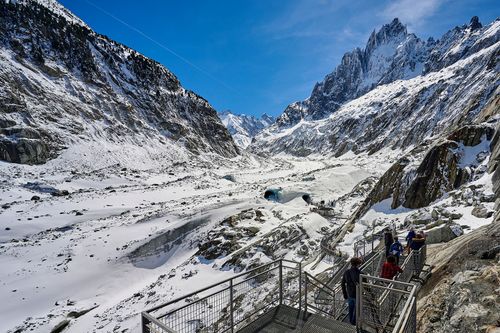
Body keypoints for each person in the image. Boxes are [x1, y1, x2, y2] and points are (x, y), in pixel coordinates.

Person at [341, 257, 363, 325]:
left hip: (349, 294)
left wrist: (345, 294)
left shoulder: (346, 272)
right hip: (357, 294)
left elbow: (342, 283)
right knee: (357, 309)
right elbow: (365, 286)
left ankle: (351, 321)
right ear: (358, 264)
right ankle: (354, 322)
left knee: (350, 308)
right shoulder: (360, 273)